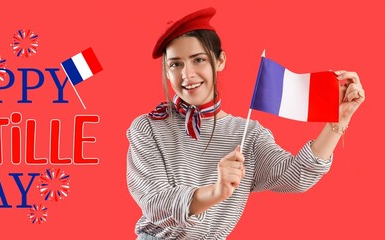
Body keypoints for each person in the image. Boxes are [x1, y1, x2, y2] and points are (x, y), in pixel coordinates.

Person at [126, 6, 365, 239]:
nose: (187, 74)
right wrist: (216, 192)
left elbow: (297, 177)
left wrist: (339, 119)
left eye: (198, 60)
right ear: (167, 71)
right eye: (175, 64)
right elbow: (154, 203)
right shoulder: (149, 128)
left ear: (220, 61)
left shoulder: (247, 134)